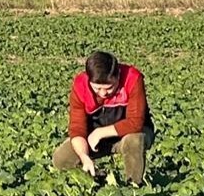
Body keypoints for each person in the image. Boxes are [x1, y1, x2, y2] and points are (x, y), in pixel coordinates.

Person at [52, 50, 153, 185]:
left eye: (109, 87)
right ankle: (96, 178)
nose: (103, 93)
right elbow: (77, 129)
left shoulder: (132, 78)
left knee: (134, 139)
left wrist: (100, 133)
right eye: (97, 88)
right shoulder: (80, 86)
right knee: (61, 159)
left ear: (118, 76)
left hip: (129, 133)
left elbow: (136, 122)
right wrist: (84, 156)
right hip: (95, 140)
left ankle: (134, 185)